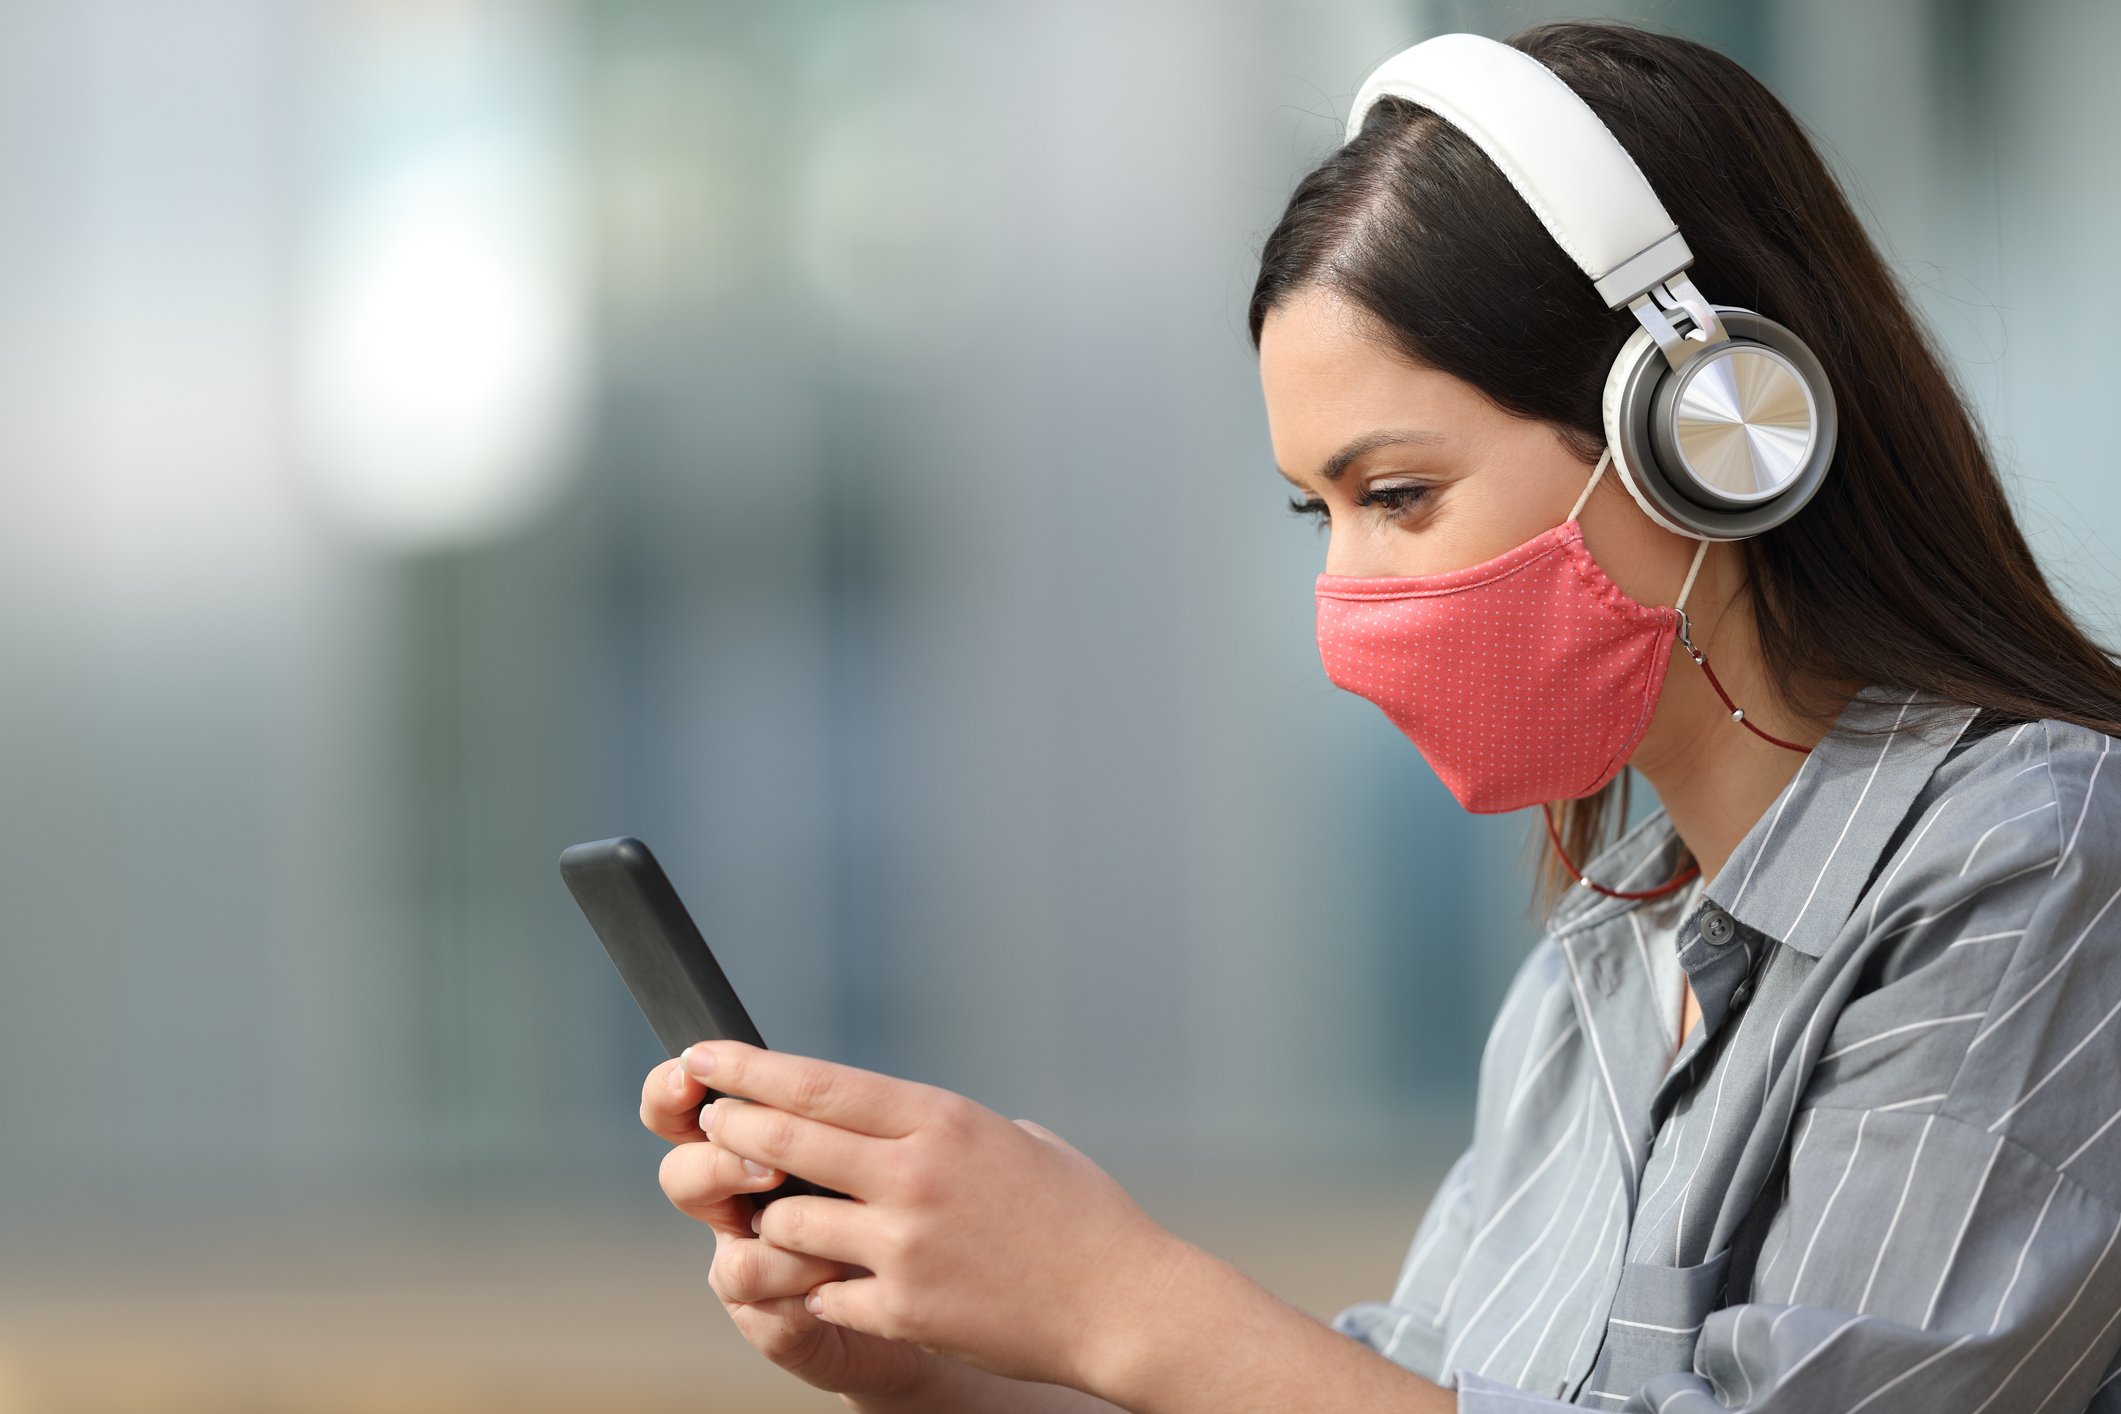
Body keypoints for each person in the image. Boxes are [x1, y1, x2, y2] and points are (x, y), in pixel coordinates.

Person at [635, 20, 2121, 1414]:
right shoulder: (1604, 958)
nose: (1348, 599)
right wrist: (957, 1361)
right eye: (1316, 512)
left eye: (1396, 493)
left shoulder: (2040, 862)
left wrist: (1118, 1293)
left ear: (1710, 434)